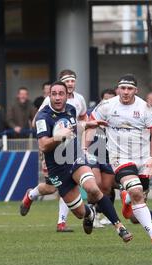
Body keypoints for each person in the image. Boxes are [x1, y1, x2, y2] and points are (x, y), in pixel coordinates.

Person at [34, 81, 132, 242]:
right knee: (80, 213)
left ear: (67, 96)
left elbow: (73, 126)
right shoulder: (43, 117)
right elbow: (43, 145)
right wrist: (58, 137)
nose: (57, 97)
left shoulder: (71, 110)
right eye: (54, 94)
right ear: (49, 96)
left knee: (93, 188)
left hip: (75, 158)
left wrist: (87, 124)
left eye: (61, 94)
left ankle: (119, 227)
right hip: (57, 169)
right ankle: (90, 214)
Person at [91, 74, 152, 249]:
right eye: (123, 88)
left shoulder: (145, 108)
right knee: (136, 190)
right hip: (120, 157)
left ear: (136, 90)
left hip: (142, 158)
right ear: (118, 89)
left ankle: (126, 202)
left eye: (129, 88)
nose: (125, 92)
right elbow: (90, 122)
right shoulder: (107, 106)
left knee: (139, 200)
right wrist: (84, 149)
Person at [21, 70, 88, 232]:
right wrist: (45, 151)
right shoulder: (50, 100)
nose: (70, 83)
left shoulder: (79, 100)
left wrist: (83, 143)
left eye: (72, 80)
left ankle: (61, 222)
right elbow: (36, 123)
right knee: (51, 188)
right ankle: (30, 195)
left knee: (70, 184)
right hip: (53, 150)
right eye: (67, 80)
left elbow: (84, 119)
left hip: (71, 150)